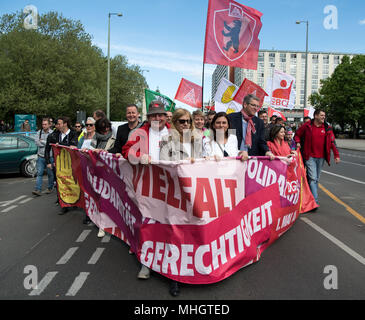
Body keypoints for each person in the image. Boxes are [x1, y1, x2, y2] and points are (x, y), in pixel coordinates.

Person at [121, 100, 171, 282]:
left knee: (169, 224)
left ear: (166, 116)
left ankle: (169, 262)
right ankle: (147, 262)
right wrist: (138, 156)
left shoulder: (175, 132)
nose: (158, 118)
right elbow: (126, 151)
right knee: (148, 222)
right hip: (147, 185)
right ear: (149, 118)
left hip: (171, 187)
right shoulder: (141, 133)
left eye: (161, 115)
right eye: (154, 115)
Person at [294, 109, 340, 206]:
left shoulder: (327, 128)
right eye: (322, 115)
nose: (324, 117)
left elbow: (332, 142)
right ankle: (314, 201)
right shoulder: (307, 126)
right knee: (313, 178)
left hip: (322, 157)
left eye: (324, 115)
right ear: (316, 116)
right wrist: (298, 142)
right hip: (309, 156)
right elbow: (297, 134)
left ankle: (309, 197)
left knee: (316, 179)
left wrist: (336, 155)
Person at [46, 116, 78, 215]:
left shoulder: (73, 134)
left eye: (59, 123)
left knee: (72, 182)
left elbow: (72, 144)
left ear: (65, 124)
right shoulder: (54, 135)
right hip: (59, 165)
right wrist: (48, 162)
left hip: (71, 164)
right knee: (60, 183)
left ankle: (74, 201)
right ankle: (63, 204)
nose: (57, 126)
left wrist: (59, 144)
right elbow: (47, 149)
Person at [227, 94, 275, 161]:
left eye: (257, 106)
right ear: (245, 104)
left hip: (252, 161)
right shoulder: (231, 118)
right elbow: (225, 139)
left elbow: (261, 141)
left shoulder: (259, 122)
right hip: (233, 158)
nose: (256, 108)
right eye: (253, 105)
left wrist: (267, 151)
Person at [32, 118, 54, 196]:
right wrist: (46, 143)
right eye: (43, 124)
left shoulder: (52, 133)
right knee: (39, 173)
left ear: (49, 125)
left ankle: (50, 188)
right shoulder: (39, 132)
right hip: (41, 156)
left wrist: (43, 141)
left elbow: (52, 144)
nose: (43, 126)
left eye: (45, 124)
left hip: (50, 157)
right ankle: (38, 189)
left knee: (50, 174)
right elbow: (37, 143)